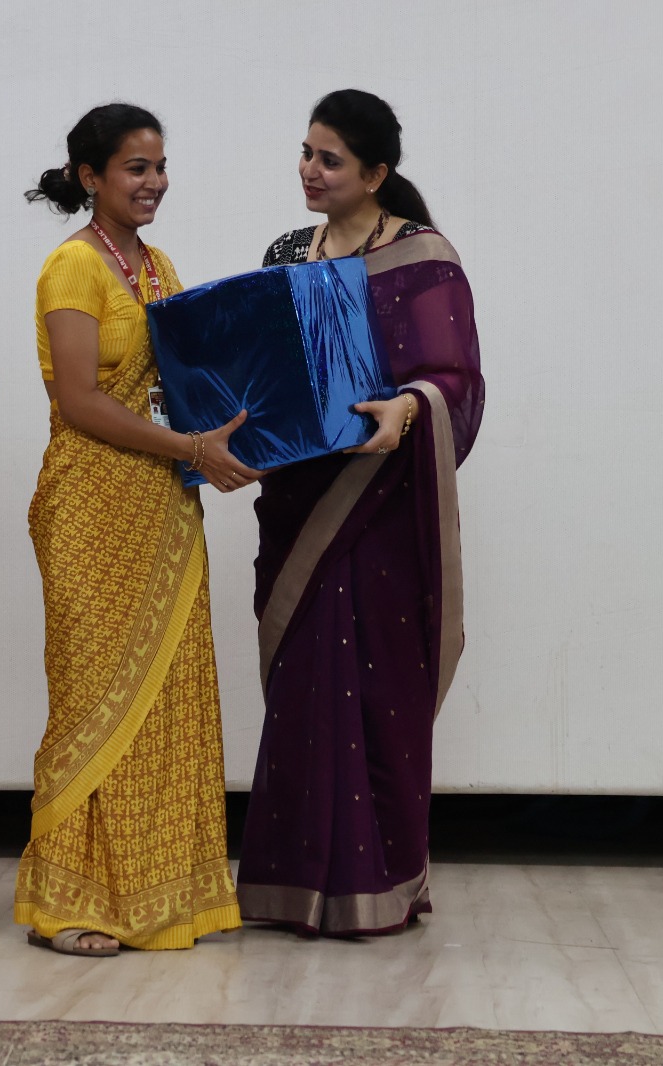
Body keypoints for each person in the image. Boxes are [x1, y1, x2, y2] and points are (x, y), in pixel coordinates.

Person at [236, 89, 485, 936]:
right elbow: (266, 365)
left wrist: (408, 409)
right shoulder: (286, 253)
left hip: (381, 509)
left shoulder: (423, 258)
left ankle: (378, 883)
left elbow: (455, 380)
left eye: (330, 159)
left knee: (376, 696)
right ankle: (288, 885)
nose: (310, 170)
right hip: (299, 503)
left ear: (375, 174)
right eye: (306, 153)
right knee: (304, 693)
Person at [13, 103, 257, 956]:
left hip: (162, 506)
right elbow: (80, 402)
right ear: (91, 177)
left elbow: (188, 385)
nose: (154, 182)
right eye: (135, 168)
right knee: (93, 697)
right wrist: (192, 447)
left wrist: (249, 424)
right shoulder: (72, 267)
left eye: (159, 167)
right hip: (91, 506)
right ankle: (70, 902)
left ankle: (160, 893)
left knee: (168, 695)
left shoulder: (159, 268)